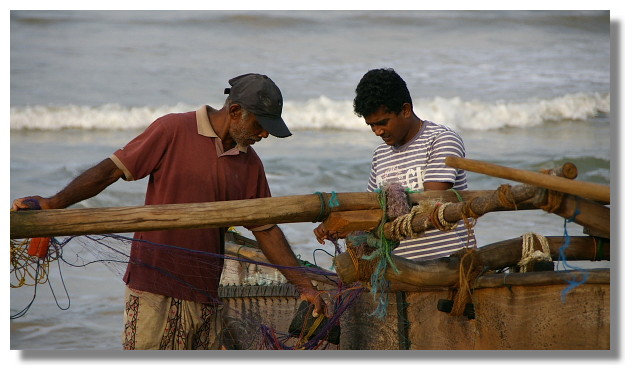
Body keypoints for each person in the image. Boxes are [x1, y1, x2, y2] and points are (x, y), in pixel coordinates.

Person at [12, 73, 326, 350]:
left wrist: (304, 287)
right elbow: (112, 171)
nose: (265, 135)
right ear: (235, 112)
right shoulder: (173, 129)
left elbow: (266, 228)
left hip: (204, 292)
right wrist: (54, 204)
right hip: (154, 288)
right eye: (261, 125)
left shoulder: (249, 163)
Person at [314, 68, 475, 262]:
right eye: (371, 125)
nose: (377, 131)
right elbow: (374, 210)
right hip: (398, 269)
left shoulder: (441, 140)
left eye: (383, 122)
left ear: (405, 110)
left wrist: (361, 219)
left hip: (447, 262)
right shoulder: (380, 154)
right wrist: (342, 225)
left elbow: (429, 205)